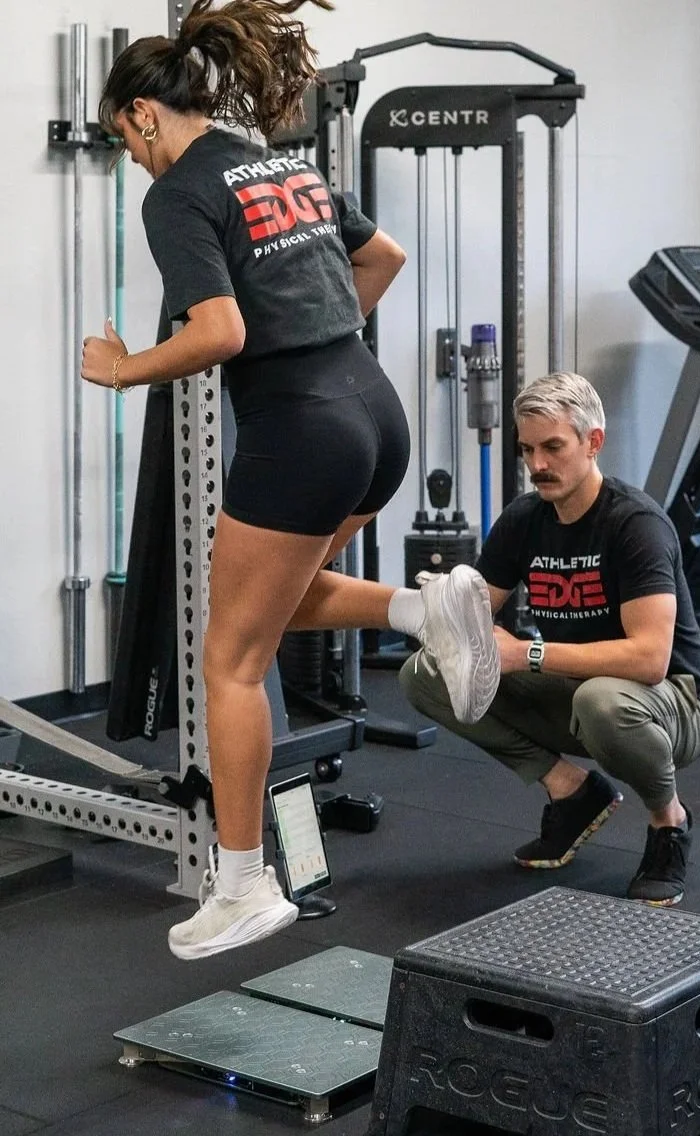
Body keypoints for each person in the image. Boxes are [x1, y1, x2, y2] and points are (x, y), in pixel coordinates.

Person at [81, 0, 499, 960]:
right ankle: (420, 611)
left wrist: (124, 367)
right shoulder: (283, 162)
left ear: (146, 115)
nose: (130, 160)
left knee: (227, 661)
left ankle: (241, 883)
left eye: (124, 140)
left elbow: (219, 333)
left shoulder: (178, 191)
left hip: (302, 434)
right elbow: (382, 257)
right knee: (288, 605)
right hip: (373, 411)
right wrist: (321, 343)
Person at [400, 371, 700, 907]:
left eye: (553, 447)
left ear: (593, 442)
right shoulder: (525, 520)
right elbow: (475, 619)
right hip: (577, 691)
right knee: (425, 673)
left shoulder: (634, 524)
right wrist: (446, 611)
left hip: (672, 705)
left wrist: (525, 653)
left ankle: (669, 822)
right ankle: (572, 790)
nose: (538, 465)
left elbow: (649, 659)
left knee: (603, 700)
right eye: (527, 449)